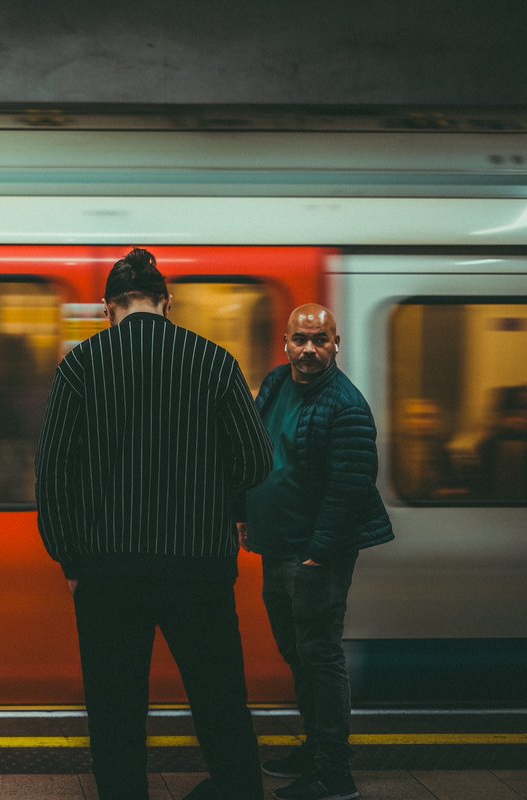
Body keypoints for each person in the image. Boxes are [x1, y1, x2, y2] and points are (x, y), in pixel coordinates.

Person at [36, 248, 273, 800]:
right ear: (167, 304)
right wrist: (211, 492)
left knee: (115, 711)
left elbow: (53, 475)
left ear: (107, 308)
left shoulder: (80, 366)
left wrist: (71, 560)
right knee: (219, 701)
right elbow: (256, 461)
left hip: (108, 571)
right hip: (200, 566)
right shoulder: (215, 361)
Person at [238, 304, 394, 800]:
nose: (308, 350)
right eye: (300, 340)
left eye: (319, 340)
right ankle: (314, 747)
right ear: (285, 342)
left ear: (335, 344)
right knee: (298, 655)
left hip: (312, 555)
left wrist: (318, 552)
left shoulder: (345, 405)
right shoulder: (277, 384)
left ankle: (334, 770)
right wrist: (244, 510)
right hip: (276, 546)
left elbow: (349, 487)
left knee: (320, 656)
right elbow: (259, 451)